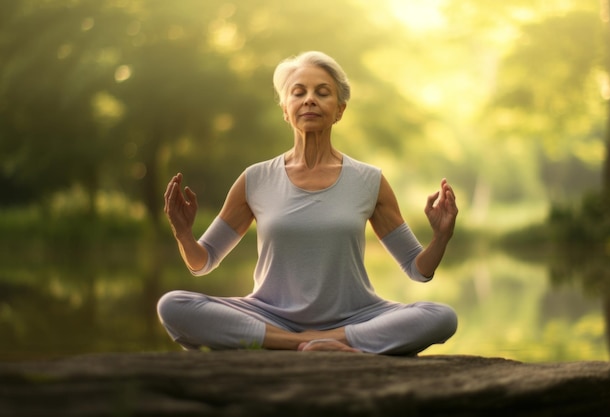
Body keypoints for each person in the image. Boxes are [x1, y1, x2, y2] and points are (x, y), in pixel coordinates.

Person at [157, 51, 458, 355]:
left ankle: (326, 341)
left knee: (441, 317)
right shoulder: (256, 179)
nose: (309, 100)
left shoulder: (369, 181)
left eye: (322, 93)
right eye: (298, 92)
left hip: (356, 315)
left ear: (339, 110)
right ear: (285, 110)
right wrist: (183, 232)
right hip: (270, 315)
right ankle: (304, 344)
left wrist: (441, 237)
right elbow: (203, 261)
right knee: (173, 305)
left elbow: (417, 269)